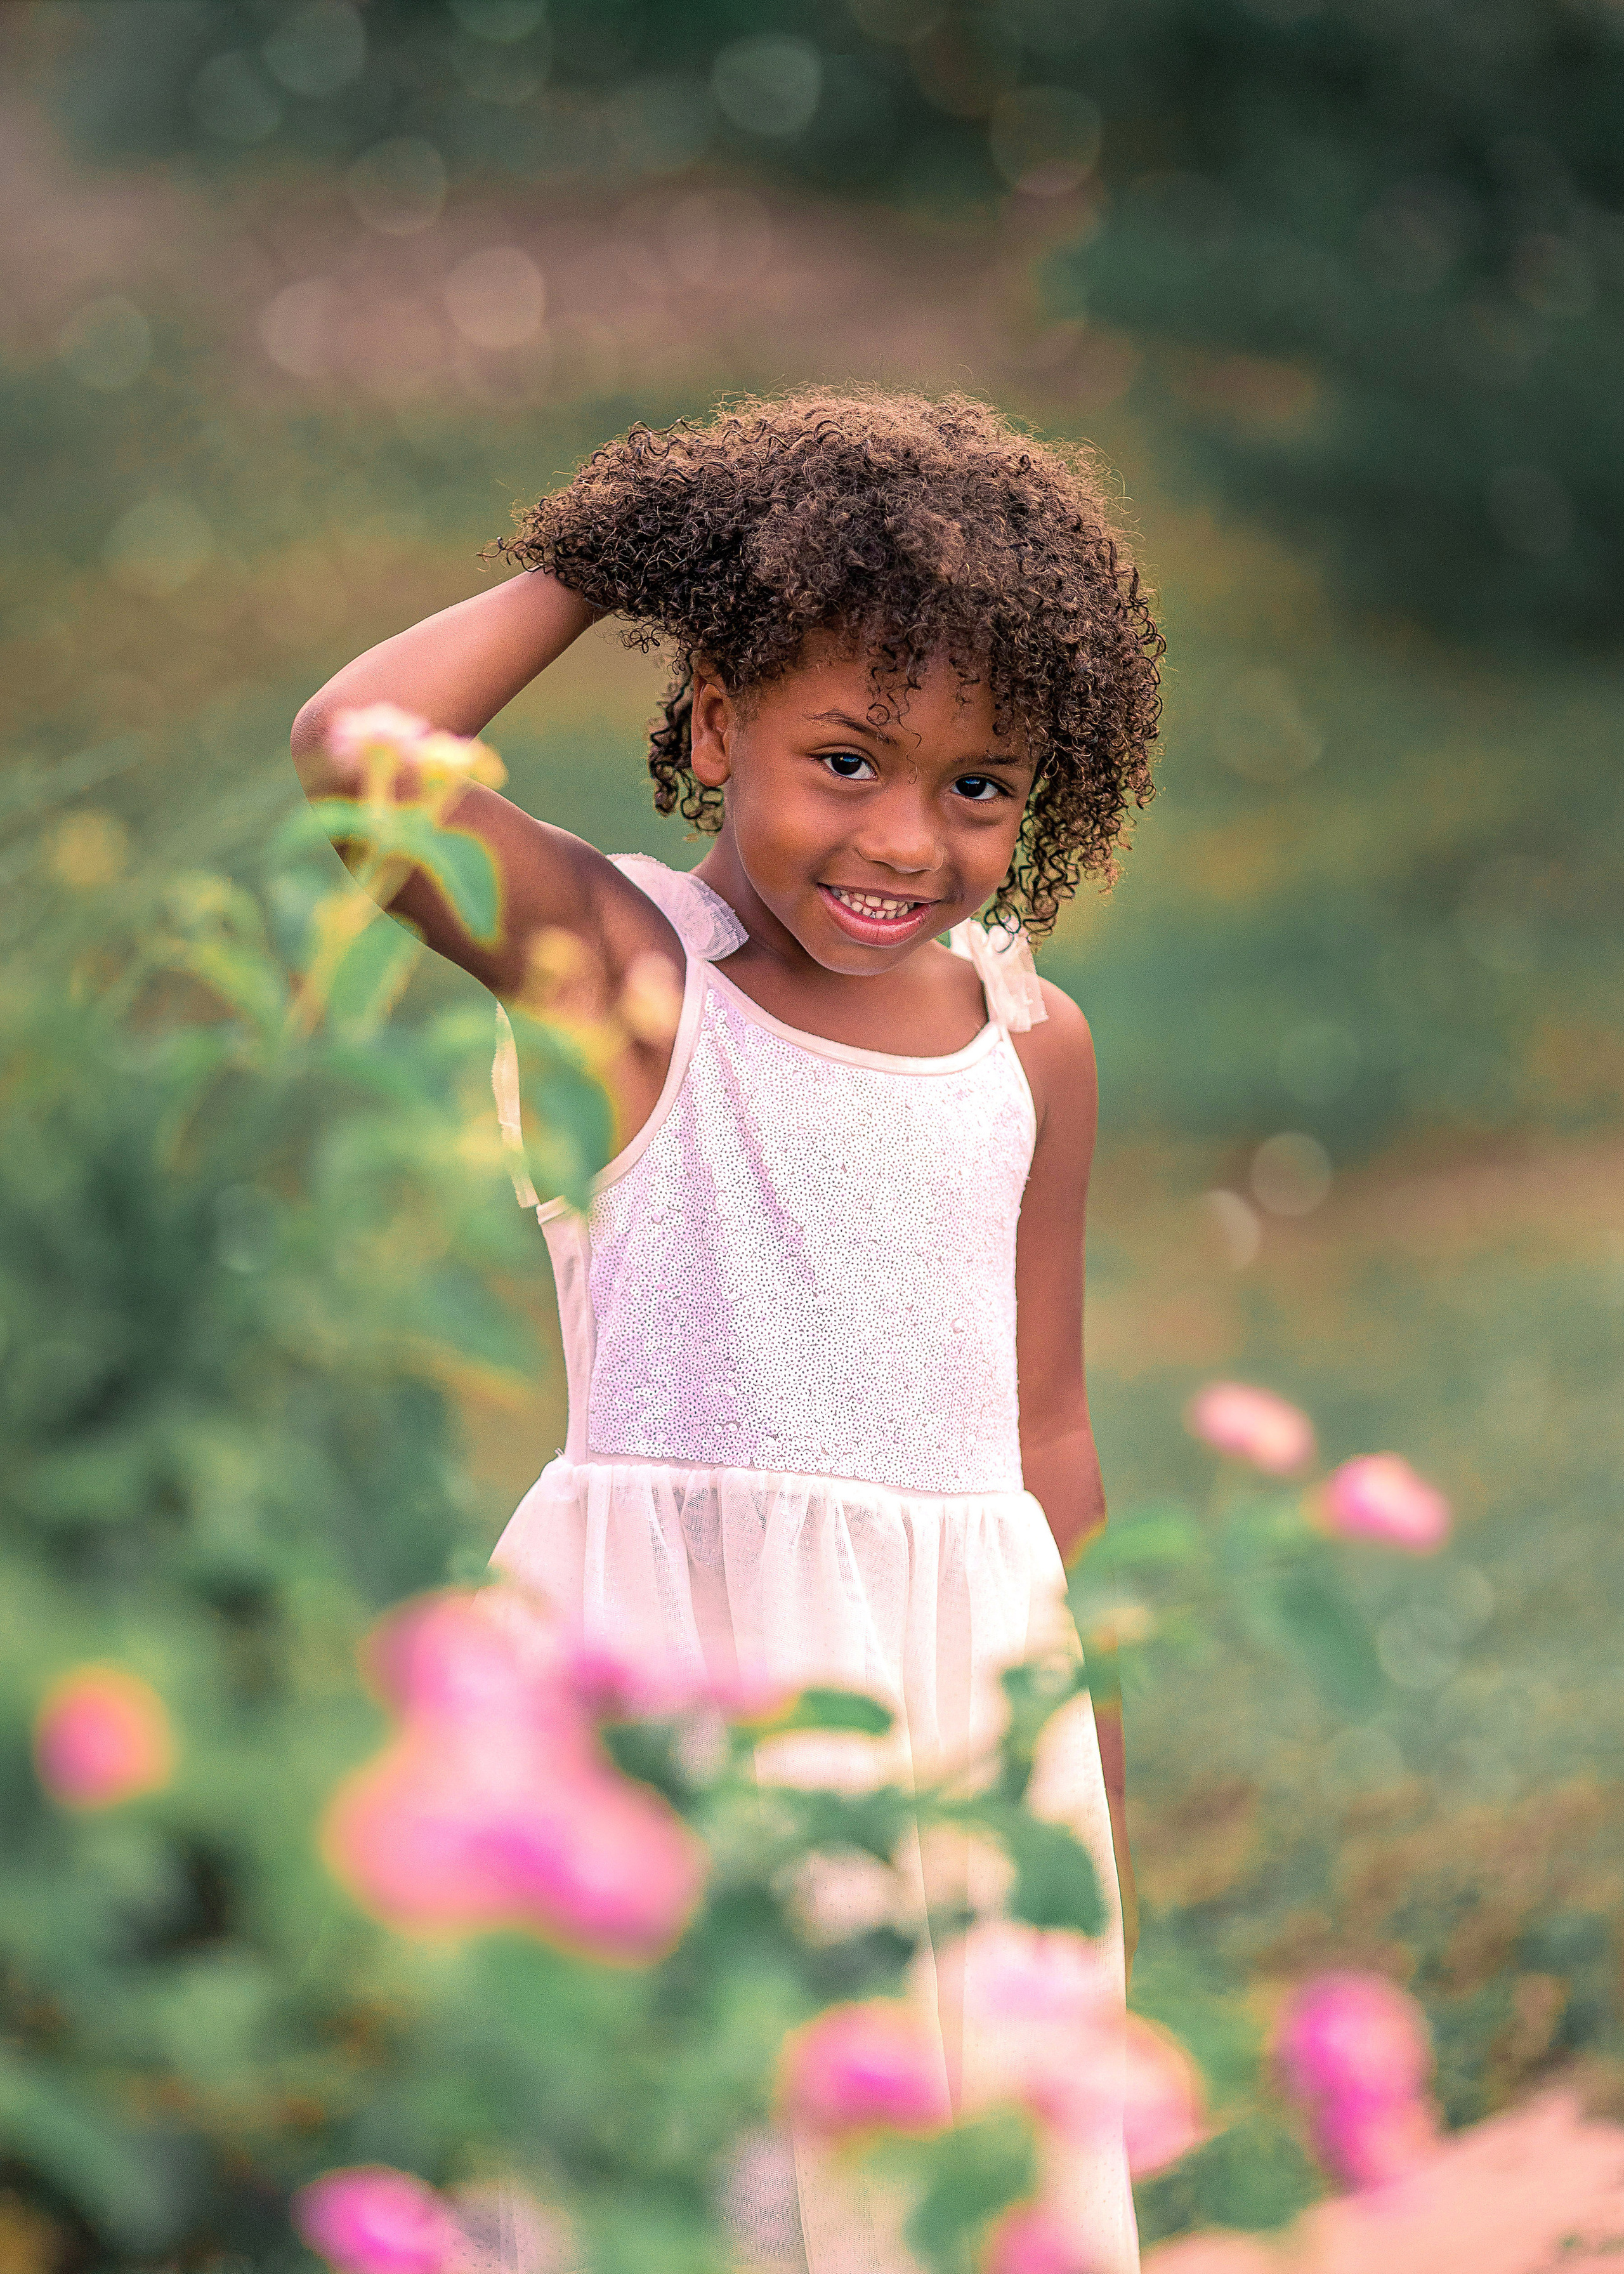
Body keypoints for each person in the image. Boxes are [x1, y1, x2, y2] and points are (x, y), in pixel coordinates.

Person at [292, 390, 1163, 2274]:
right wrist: (622, 546)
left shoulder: (1036, 1048)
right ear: (712, 727)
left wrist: (1062, 1754)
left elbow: (1049, 1434)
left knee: (932, 2188)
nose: (907, 839)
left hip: (947, 1726)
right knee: (688, 2180)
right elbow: (361, 752)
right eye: (844, 760)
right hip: (669, 1693)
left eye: (978, 784)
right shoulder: (628, 978)